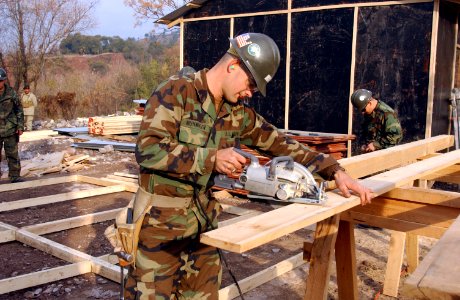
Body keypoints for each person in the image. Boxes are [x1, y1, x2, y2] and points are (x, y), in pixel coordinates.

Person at [126, 33, 372, 299]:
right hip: (160, 226)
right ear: (233, 65)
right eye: (251, 84)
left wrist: (335, 171)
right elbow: (148, 149)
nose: (250, 93)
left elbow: (280, 143)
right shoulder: (176, 92)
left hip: (203, 222)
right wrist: (211, 159)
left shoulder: (237, 112)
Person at [0, 68, 24, 183]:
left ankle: (14, 176)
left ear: (4, 80)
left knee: (12, 154)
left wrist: (20, 126)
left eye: (0, 80)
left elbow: (19, 109)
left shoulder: (11, 93)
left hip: (10, 128)